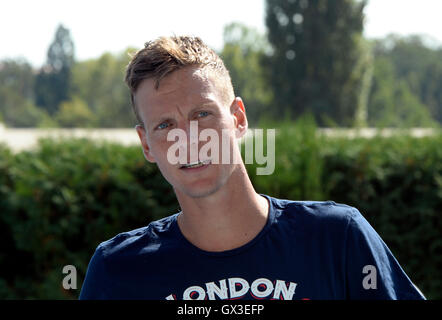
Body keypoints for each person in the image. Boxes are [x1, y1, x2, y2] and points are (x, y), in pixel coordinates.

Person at [79, 36, 425, 300]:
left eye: (202, 114)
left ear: (238, 118)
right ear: (145, 144)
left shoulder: (337, 238)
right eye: (165, 125)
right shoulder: (117, 270)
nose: (188, 138)